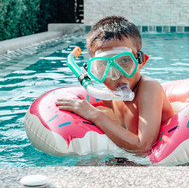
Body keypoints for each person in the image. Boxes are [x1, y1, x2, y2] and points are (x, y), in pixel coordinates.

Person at [55, 16, 175, 155]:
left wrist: (95, 115)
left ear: (141, 61)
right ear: (93, 71)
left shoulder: (149, 89)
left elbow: (144, 146)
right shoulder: (108, 96)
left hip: (164, 159)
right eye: (103, 65)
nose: (115, 74)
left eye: (124, 60)